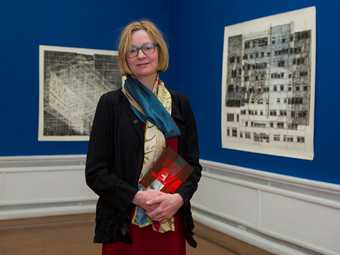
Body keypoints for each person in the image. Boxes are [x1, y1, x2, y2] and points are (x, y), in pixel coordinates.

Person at [85, 20, 202, 255]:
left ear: (159, 51)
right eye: (133, 50)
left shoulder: (180, 104)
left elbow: (191, 165)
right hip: (124, 222)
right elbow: (95, 172)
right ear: (125, 57)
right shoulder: (111, 104)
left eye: (148, 47)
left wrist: (178, 199)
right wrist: (137, 197)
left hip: (169, 218)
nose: (141, 55)